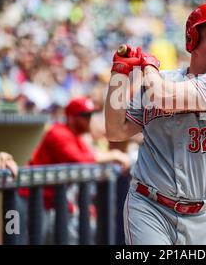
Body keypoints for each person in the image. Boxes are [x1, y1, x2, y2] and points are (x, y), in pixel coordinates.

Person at [105, 2, 206, 244]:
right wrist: (118, 75)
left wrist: (149, 66)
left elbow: (166, 98)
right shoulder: (160, 80)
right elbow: (116, 131)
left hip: (201, 216)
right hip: (149, 206)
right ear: (192, 36)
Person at [21, 96, 130, 243]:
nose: (89, 119)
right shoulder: (57, 133)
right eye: (85, 115)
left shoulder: (76, 137)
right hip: (29, 199)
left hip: (50, 201)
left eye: (90, 115)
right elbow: (81, 160)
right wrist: (114, 154)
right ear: (71, 118)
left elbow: (90, 156)